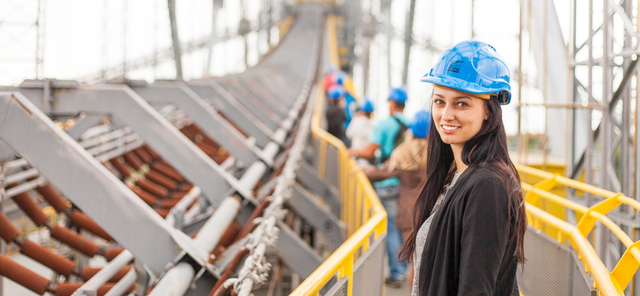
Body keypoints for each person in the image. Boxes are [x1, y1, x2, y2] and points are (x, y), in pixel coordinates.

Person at [399, 40, 526, 296]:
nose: (446, 115)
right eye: (439, 102)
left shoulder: (487, 186)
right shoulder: (454, 177)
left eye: (462, 103)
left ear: (488, 112)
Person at [360, 109, 430, 289]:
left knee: (416, 262)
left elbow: (381, 173)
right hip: (432, 212)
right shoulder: (439, 154)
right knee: (431, 262)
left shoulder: (403, 152)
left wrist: (363, 170)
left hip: (408, 214)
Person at [348, 86, 410, 287]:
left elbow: (369, 151)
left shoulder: (385, 125)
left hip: (386, 181)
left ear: (391, 103)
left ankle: (397, 272)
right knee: (400, 227)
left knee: (390, 228)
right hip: (405, 183)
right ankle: (403, 269)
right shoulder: (410, 125)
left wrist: (354, 151)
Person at [346, 98, 375, 165]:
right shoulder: (374, 124)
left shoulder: (356, 121)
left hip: (357, 157)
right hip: (369, 161)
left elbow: (348, 134)